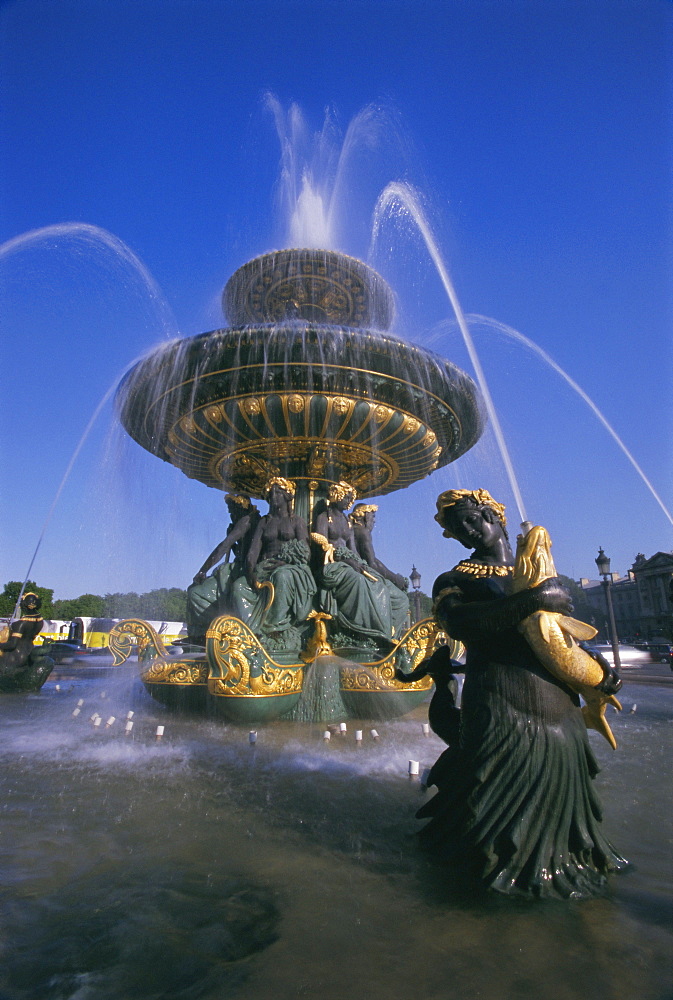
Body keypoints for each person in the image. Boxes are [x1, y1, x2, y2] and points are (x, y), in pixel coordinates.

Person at [416, 488, 626, 899]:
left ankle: (564, 862)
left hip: (558, 702)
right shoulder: (454, 579)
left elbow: (561, 633)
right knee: (493, 799)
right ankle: (494, 875)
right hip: (500, 700)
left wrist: (598, 667)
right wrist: (533, 599)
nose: (470, 530)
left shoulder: (539, 571)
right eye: (460, 528)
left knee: (560, 793)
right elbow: (459, 623)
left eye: (474, 518)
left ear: (495, 514)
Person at [312, 488, 408, 646]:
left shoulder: (347, 522)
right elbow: (319, 544)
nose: (349, 502)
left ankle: (385, 631)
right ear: (337, 497)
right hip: (331, 563)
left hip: (350, 562)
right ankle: (362, 630)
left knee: (380, 584)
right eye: (346, 497)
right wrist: (340, 556)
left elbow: (353, 551)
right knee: (359, 582)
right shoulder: (324, 517)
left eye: (350, 498)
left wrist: (360, 564)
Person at [230, 477, 316, 645]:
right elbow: (253, 551)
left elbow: (305, 552)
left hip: (292, 568)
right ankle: (249, 632)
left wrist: (286, 562)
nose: (272, 496)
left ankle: (276, 628)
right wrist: (250, 573)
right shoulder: (264, 522)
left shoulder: (297, 521)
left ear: (287, 496)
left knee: (281, 577)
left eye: (277, 492)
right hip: (265, 568)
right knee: (238, 586)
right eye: (270, 493)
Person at [186, 494, 260, 639]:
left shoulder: (247, 521)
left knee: (197, 593)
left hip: (247, 569)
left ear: (242, 507)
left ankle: (232, 630)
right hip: (234, 569)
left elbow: (224, 546)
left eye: (232, 508)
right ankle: (206, 631)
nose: (229, 512)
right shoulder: (237, 523)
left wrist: (203, 570)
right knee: (195, 592)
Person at [0, 592, 54, 691]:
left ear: (23, 605)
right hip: (28, 653)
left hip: (14, 656)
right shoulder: (40, 621)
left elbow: (12, 644)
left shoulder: (21, 624)